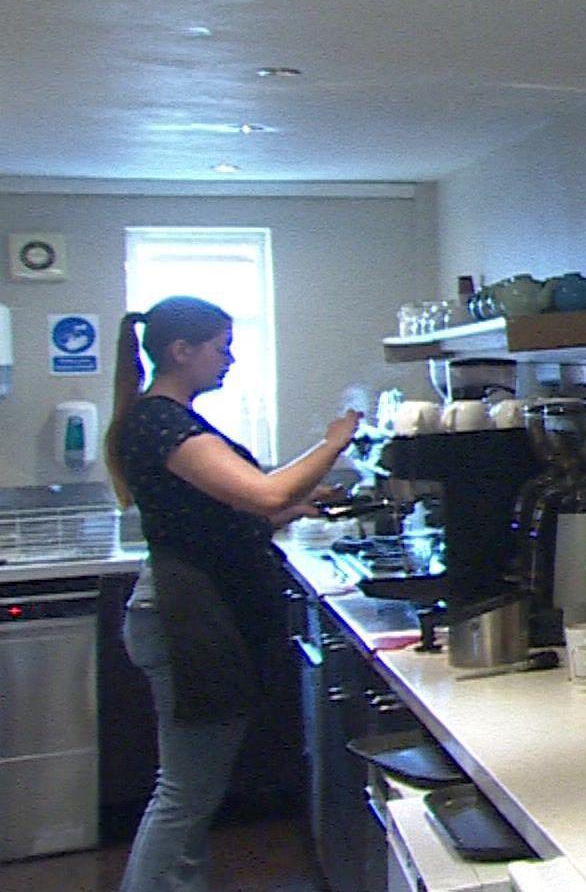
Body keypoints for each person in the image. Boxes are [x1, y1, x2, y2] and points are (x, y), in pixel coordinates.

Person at [106, 296, 360, 892]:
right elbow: (262, 494)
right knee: (185, 794)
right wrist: (334, 442)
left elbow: (219, 516)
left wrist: (300, 504)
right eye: (222, 347)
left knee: (193, 791)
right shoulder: (160, 422)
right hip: (183, 616)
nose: (230, 359)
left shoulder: (167, 419)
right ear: (181, 351)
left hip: (191, 611)